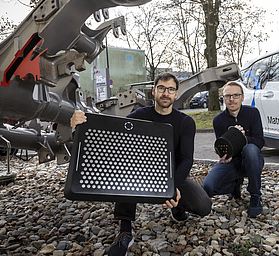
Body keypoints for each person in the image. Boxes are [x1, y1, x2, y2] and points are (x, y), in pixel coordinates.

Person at [70, 72, 212, 256]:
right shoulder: (138, 116)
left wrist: (173, 187)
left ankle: (177, 208)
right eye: (161, 88)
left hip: (171, 174)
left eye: (170, 89)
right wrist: (78, 127)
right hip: (140, 171)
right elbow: (110, 142)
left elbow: (186, 159)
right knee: (125, 171)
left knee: (204, 207)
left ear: (176, 94)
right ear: (153, 91)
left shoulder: (185, 122)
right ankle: (125, 229)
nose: (165, 93)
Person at [201, 81, 265, 218]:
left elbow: (260, 142)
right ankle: (235, 184)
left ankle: (255, 195)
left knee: (251, 150)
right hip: (232, 161)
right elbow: (223, 146)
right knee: (208, 187)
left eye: (236, 95)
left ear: (242, 97)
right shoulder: (218, 120)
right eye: (228, 96)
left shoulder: (252, 113)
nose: (232, 99)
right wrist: (223, 154)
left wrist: (242, 138)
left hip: (253, 160)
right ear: (223, 99)